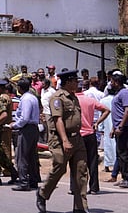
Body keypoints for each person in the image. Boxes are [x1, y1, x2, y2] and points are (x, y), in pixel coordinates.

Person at [36, 70, 88, 213]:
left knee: (81, 171)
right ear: (68, 82)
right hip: (60, 139)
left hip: (77, 138)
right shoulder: (57, 98)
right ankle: (43, 193)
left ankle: (80, 207)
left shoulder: (73, 97)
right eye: (75, 81)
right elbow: (58, 120)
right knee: (59, 166)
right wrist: (65, 140)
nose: (77, 83)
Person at [71, 90, 110, 195]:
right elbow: (106, 110)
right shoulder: (90, 100)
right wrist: (97, 123)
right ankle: (94, 187)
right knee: (92, 161)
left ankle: (75, 187)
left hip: (78, 134)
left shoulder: (72, 100)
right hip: (90, 133)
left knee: (75, 161)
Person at [9, 78, 39, 191]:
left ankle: (23, 182)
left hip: (27, 129)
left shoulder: (25, 99)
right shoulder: (33, 97)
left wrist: (15, 125)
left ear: (19, 88)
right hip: (33, 128)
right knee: (31, 156)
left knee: (22, 157)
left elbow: (25, 118)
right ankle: (33, 181)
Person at [109, 73, 128, 188]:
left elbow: (127, 111)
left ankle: (127, 177)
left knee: (124, 153)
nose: (110, 83)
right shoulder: (118, 93)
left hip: (124, 128)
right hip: (118, 127)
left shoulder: (124, 93)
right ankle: (123, 177)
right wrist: (113, 128)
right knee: (120, 154)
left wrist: (121, 126)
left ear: (116, 82)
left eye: (112, 81)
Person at [40, 78, 56, 144]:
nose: (42, 85)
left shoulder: (52, 91)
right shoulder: (42, 90)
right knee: (43, 128)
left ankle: (50, 142)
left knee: (50, 128)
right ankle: (44, 141)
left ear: (47, 84)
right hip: (43, 111)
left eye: (43, 84)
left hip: (49, 112)